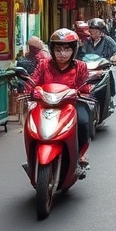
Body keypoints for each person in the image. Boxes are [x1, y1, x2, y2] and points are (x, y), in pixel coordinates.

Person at [29, 28, 93, 165]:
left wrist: (82, 92)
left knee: (83, 123)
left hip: (72, 106)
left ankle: (80, 154)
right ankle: (31, 156)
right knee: (31, 125)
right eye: (58, 50)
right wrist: (30, 91)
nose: (62, 54)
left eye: (66, 49)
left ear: (73, 50)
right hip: (45, 105)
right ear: (52, 50)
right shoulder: (44, 64)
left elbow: (86, 87)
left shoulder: (80, 66)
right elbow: (33, 82)